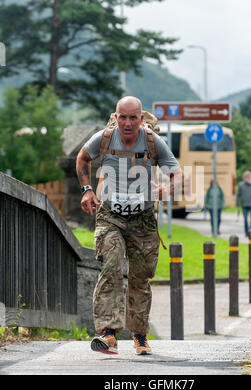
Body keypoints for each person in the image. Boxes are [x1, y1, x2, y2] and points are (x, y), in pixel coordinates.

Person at [76, 96, 182, 356]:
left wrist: (167, 188)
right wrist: (87, 190)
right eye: (122, 117)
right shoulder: (103, 137)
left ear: (141, 119)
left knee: (140, 276)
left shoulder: (152, 142)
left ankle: (139, 336)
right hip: (110, 215)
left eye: (132, 117)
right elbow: (82, 158)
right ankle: (108, 333)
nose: (127, 123)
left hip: (143, 219)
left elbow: (176, 173)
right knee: (111, 265)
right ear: (115, 117)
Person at [236, 171, 251, 237]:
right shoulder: (241, 185)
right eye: (246, 176)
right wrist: (238, 204)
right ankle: (246, 232)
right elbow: (238, 195)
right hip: (244, 204)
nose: (248, 178)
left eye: (249, 176)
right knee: (245, 219)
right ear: (244, 177)